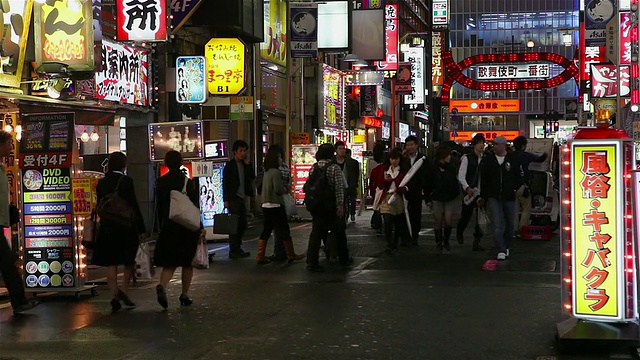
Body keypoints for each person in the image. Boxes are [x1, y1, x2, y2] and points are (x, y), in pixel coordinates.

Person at [93, 152, 146, 312]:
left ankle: (114, 293)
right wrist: (141, 228)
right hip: (125, 227)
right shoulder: (126, 181)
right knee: (128, 261)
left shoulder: (101, 183)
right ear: (123, 164)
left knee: (111, 263)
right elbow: (134, 205)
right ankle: (123, 292)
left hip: (107, 227)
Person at [154, 150, 203, 308]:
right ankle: (184, 294)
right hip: (186, 226)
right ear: (181, 162)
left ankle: (162, 285)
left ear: (166, 163)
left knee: (170, 262)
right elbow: (194, 205)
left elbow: (159, 206)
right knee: (187, 262)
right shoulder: (187, 181)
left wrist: (160, 225)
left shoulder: (161, 182)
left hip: (169, 226)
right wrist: (200, 226)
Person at [0, 131, 39, 315]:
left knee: (8, 262)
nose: (10, 148)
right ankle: (19, 301)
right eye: (8, 144)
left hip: (0, 222)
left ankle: (20, 302)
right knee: (8, 262)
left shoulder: (1, 167)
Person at [305, 143, 352, 272]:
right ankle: (344, 258)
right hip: (329, 205)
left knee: (316, 234)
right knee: (339, 232)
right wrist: (340, 206)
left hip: (317, 205)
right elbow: (339, 188)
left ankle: (311, 261)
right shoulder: (334, 168)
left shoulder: (314, 167)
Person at [477, 136, 523, 260]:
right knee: (497, 224)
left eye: (497, 144)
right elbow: (484, 179)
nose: (495, 147)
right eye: (494, 144)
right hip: (494, 196)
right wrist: (483, 195)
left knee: (510, 224)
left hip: (509, 196)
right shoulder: (489, 160)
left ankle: (507, 246)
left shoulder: (512, 159)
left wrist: (514, 188)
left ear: (504, 145)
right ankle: (501, 249)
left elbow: (519, 176)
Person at [256, 148, 304, 264]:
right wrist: (285, 190)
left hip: (266, 204)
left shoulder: (266, 171)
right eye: (279, 157)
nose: (280, 160)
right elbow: (278, 188)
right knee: (284, 230)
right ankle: (291, 254)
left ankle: (260, 255)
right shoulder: (276, 172)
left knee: (266, 230)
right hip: (276, 204)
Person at [223, 140, 255, 258]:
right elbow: (225, 183)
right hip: (233, 198)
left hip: (242, 197)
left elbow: (252, 176)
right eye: (241, 151)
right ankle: (234, 249)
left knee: (242, 224)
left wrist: (248, 164)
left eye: (244, 151)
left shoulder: (244, 164)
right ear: (235, 152)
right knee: (234, 224)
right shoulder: (230, 166)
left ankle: (238, 247)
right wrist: (226, 200)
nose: (243, 153)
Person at [512, 136, 548, 236]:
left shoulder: (510, 155)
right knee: (526, 208)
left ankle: (513, 231)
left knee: (514, 209)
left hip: (511, 186)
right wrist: (546, 152)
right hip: (522, 186)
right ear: (523, 146)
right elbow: (540, 159)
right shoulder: (525, 155)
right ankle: (521, 230)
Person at [456, 134, 486, 251]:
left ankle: (477, 242)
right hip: (470, 192)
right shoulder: (467, 158)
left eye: (483, 143)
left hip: (481, 192)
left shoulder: (485, 159)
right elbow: (461, 175)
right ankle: (460, 231)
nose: (481, 145)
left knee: (480, 217)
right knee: (466, 215)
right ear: (474, 144)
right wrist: (467, 188)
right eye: (479, 143)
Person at [375, 148, 409, 252]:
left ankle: (395, 241)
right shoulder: (385, 170)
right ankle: (390, 242)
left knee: (398, 221)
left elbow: (407, 185)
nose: (394, 161)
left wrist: (399, 190)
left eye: (396, 159)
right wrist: (385, 180)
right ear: (389, 159)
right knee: (387, 220)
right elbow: (379, 185)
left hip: (398, 197)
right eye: (392, 159)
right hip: (387, 197)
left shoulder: (403, 171)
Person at [429, 146, 461, 253]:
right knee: (438, 221)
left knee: (448, 221)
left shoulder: (451, 168)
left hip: (449, 197)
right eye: (448, 155)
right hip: (437, 197)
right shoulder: (433, 168)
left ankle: (446, 240)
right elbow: (429, 183)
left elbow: (454, 182)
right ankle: (438, 243)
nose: (450, 157)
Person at [403, 135, 432, 246]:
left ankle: (414, 235)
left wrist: (427, 193)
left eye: (412, 145)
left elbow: (427, 175)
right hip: (404, 190)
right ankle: (406, 236)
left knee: (415, 213)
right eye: (408, 145)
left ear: (416, 146)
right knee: (404, 213)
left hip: (417, 190)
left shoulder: (423, 159)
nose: (410, 147)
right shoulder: (403, 158)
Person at [368, 143, 385, 232]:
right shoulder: (385, 167)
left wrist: (371, 191)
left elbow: (371, 181)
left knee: (377, 207)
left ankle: (377, 223)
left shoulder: (373, 166)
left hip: (377, 189)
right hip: (384, 190)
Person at [345, 148, 361, 222]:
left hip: (345, 184)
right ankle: (352, 214)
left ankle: (347, 214)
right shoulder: (355, 162)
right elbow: (357, 173)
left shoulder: (343, 162)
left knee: (346, 201)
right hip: (353, 184)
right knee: (352, 200)